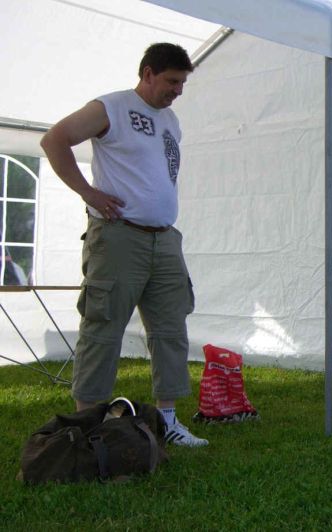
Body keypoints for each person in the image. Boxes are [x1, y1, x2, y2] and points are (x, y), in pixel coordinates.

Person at [40, 43, 207, 447]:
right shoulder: (111, 107)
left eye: (182, 83)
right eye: (172, 81)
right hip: (118, 236)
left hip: (164, 238)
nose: (178, 91)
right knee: (103, 327)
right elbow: (54, 140)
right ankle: (88, 423)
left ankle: (167, 420)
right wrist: (89, 193)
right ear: (148, 73)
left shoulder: (171, 120)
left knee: (171, 328)